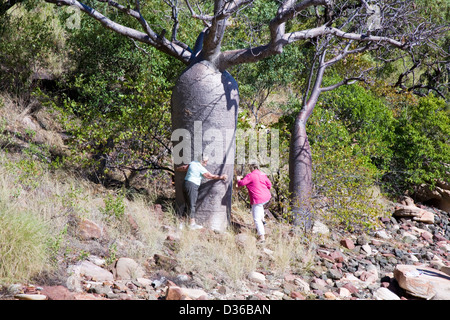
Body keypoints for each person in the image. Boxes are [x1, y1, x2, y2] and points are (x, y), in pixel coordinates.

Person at [175, 155, 227, 229]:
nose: (206, 163)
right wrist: (221, 177)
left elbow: (184, 167)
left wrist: (177, 169)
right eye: (206, 161)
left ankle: (181, 224)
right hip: (192, 186)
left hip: (185, 184)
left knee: (187, 203)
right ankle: (192, 224)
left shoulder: (192, 163)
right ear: (203, 161)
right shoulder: (200, 167)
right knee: (192, 204)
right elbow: (210, 176)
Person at [237, 163, 272, 242]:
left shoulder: (250, 175)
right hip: (267, 197)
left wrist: (238, 179)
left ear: (251, 168)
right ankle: (263, 221)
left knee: (256, 218)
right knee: (260, 207)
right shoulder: (263, 174)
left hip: (257, 199)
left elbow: (241, 183)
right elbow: (269, 185)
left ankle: (262, 237)